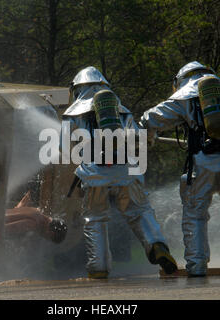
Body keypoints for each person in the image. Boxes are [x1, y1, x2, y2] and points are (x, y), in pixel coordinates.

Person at [140, 61, 220, 276]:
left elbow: (149, 120)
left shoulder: (183, 97)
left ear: (179, 81)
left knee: (195, 214)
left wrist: (148, 138)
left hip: (203, 164)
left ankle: (197, 266)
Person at [62, 66, 178, 279]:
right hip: (126, 171)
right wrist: (149, 140)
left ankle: (99, 267)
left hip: (94, 173)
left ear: (77, 89)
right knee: (140, 211)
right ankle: (156, 244)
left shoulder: (72, 114)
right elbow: (137, 141)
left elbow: (65, 149)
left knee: (95, 219)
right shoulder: (120, 109)